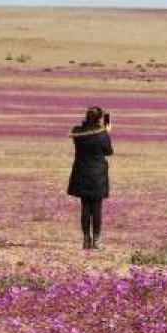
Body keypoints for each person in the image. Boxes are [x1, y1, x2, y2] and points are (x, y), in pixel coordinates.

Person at [67, 106, 113, 249]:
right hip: (97, 175)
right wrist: (107, 132)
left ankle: (86, 240)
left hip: (81, 173)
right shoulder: (102, 135)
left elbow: (80, 133)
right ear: (99, 119)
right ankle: (97, 241)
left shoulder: (78, 133)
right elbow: (108, 151)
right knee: (97, 207)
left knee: (85, 207)